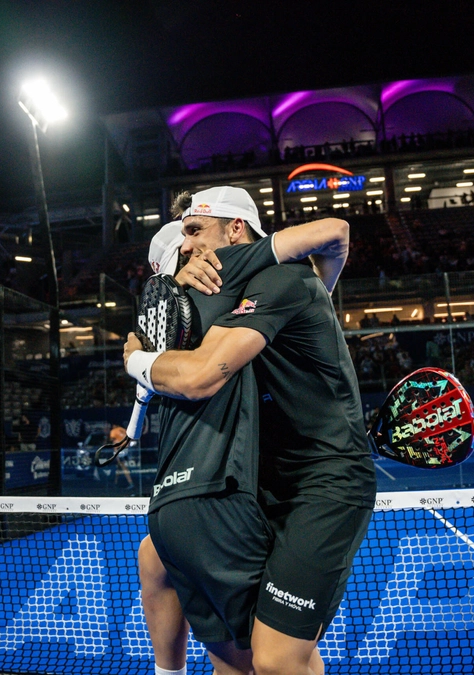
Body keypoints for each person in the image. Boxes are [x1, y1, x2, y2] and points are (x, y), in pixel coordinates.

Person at [128, 186, 360, 675]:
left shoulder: (284, 279)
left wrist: (137, 360)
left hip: (322, 484)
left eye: (194, 232)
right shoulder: (229, 295)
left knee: (276, 659)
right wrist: (178, 283)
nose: (185, 244)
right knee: (159, 561)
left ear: (236, 229)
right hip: (266, 480)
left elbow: (198, 375)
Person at [108, 424, 134, 489]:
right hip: (126, 450)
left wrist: (115, 454)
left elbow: (114, 442)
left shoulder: (113, 431)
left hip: (119, 451)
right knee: (119, 467)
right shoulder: (123, 430)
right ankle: (115, 483)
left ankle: (130, 483)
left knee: (123, 467)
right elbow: (129, 439)